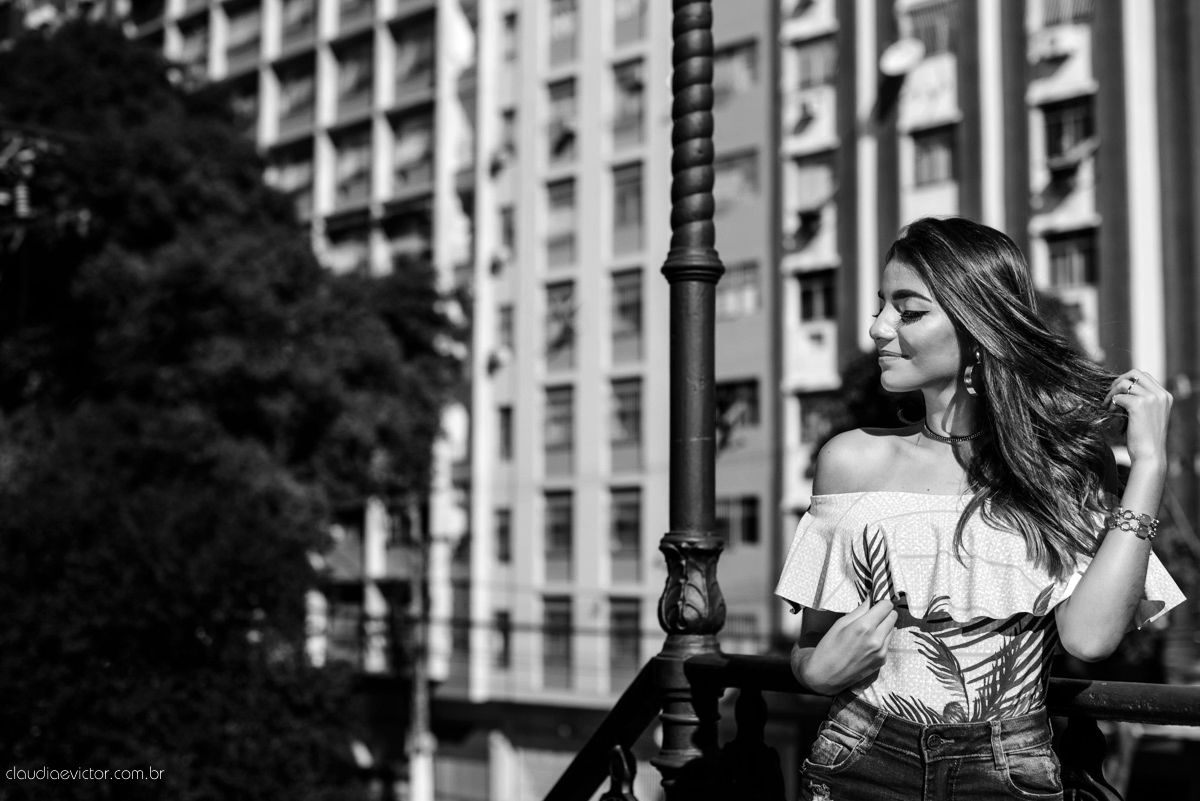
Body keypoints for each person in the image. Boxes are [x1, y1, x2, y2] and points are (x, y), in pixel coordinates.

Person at [774, 217, 1185, 801]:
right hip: (859, 757)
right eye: (881, 307)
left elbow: (1089, 638)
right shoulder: (850, 460)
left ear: (977, 326)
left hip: (1009, 769)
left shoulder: (1062, 465)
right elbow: (813, 643)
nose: (877, 327)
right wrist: (813, 671)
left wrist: (1148, 465)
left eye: (907, 311)